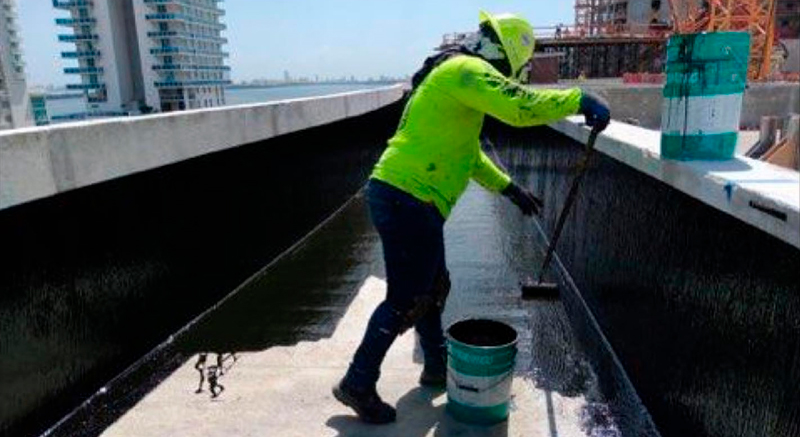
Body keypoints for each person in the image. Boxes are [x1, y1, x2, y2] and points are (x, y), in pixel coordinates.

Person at [332, 11, 610, 424]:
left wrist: (510, 189)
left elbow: (469, 155)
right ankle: (357, 382)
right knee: (406, 298)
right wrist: (577, 98)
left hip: (406, 195)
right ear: (508, 54)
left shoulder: (451, 73)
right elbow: (519, 106)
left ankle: (435, 367)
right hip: (409, 197)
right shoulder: (467, 70)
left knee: (434, 286)